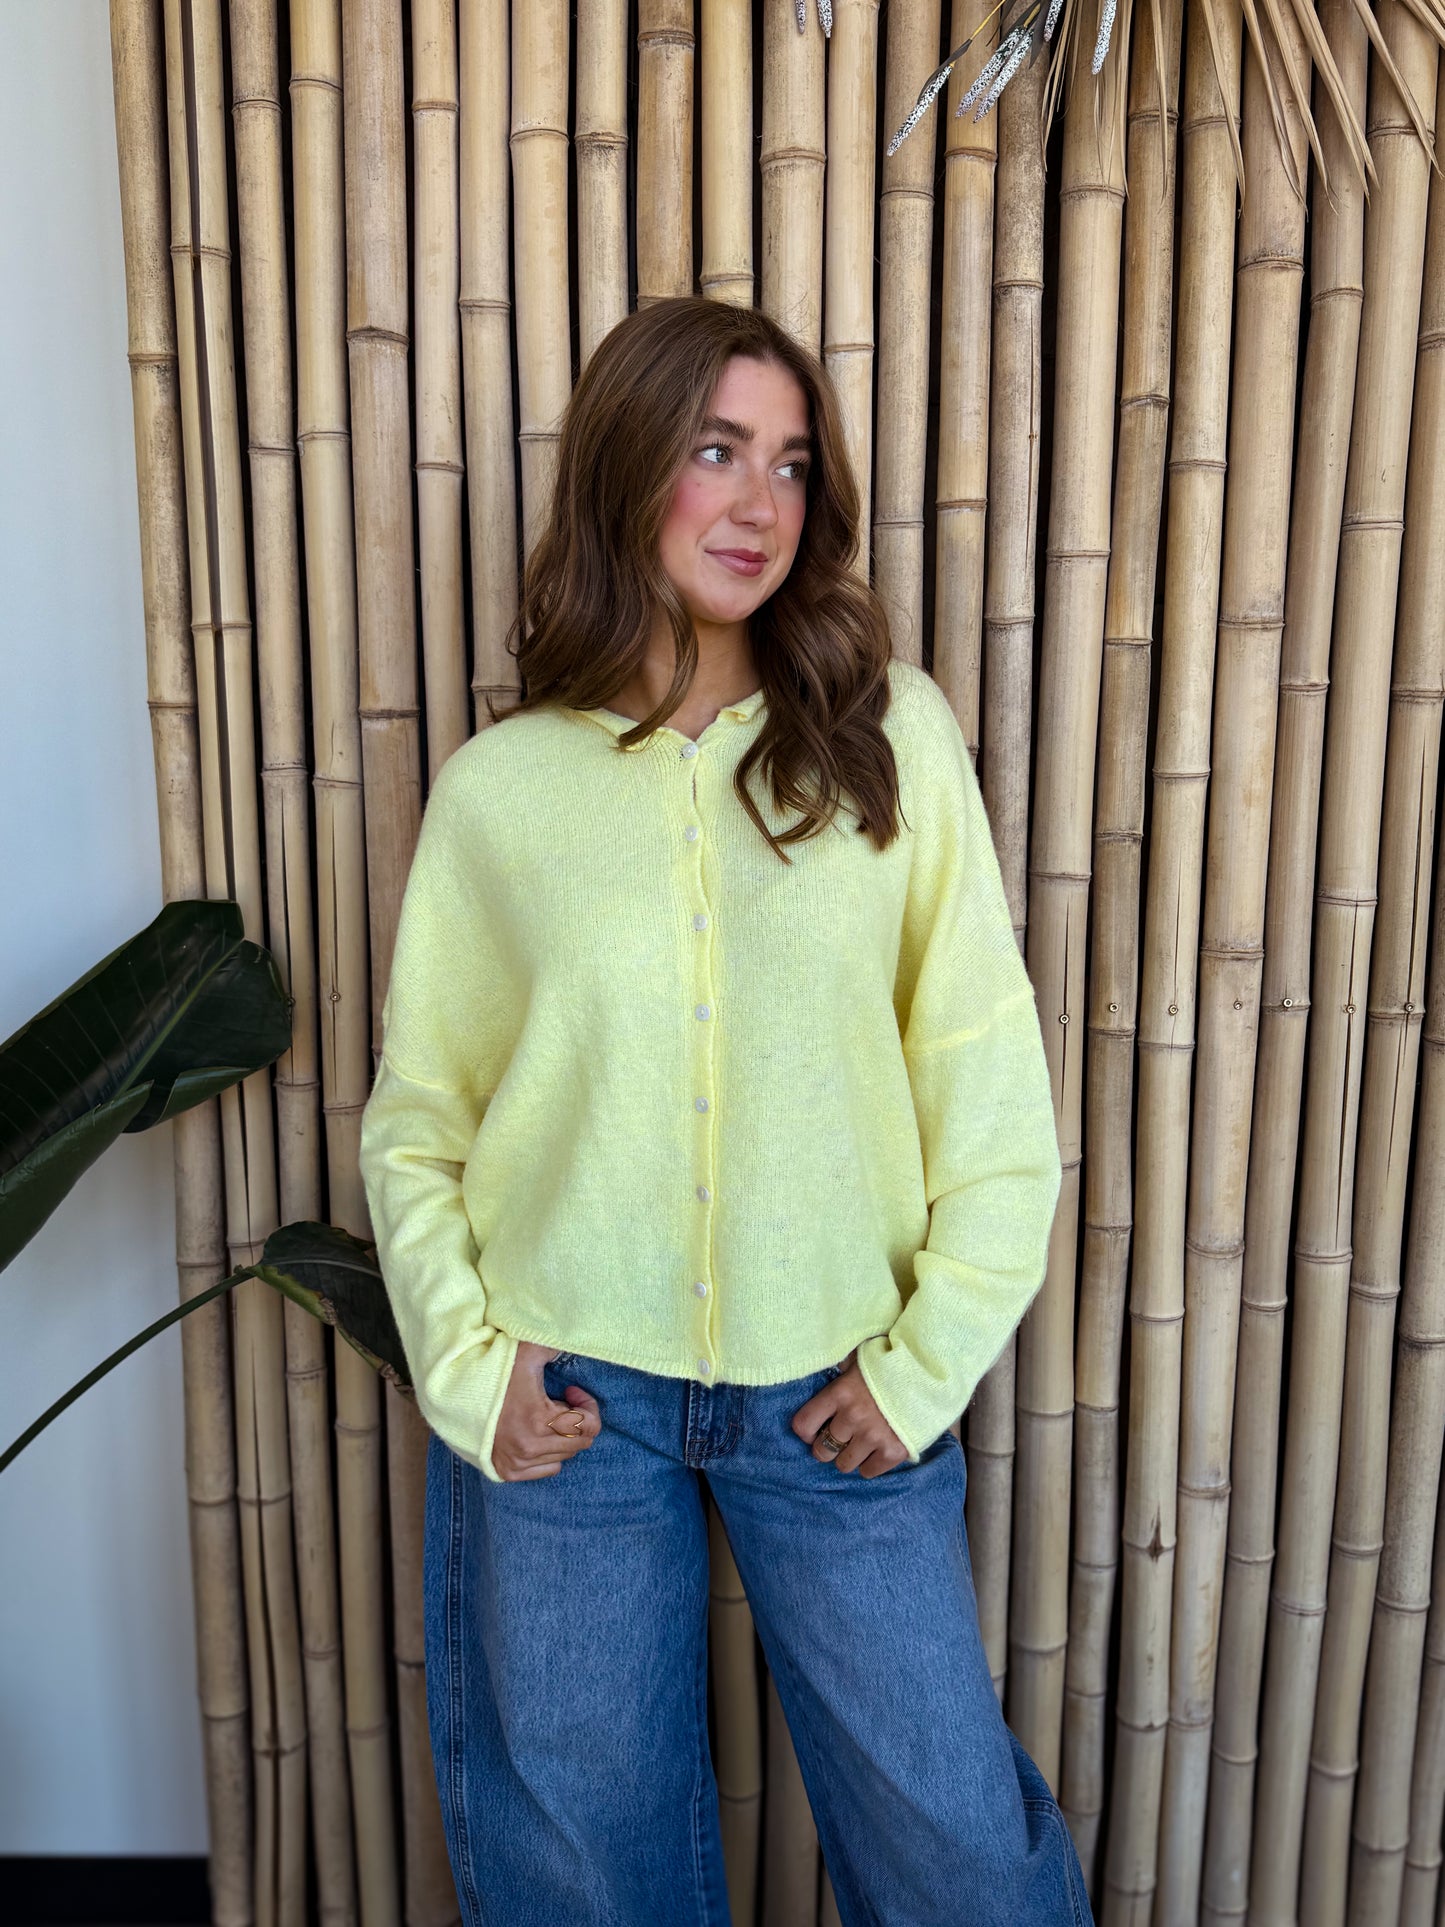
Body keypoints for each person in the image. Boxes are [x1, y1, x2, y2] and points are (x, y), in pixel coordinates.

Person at [358, 295, 1091, 1927]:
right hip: (570, 1404)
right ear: (630, 471)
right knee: (578, 1873)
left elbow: (984, 1078)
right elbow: (421, 1120)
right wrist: (475, 1372)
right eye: (713, 452)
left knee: (958, 1852)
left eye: (789, 464)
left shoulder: (891, 737)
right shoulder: (504, 792)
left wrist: (921, 1365)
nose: (758, 505)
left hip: (832, 1382)